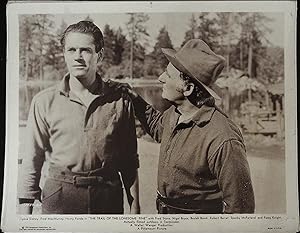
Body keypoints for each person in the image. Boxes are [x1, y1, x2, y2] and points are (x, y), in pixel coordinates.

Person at [116, 39, 255, 214]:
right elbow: (157, 127)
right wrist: (134, 98)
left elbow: (240, 209)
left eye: (168, 74)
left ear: (188, 88)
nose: (160, 78)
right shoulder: (175, 113)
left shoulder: (223, 138)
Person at [18, 21, 140, 214]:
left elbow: (129, 160)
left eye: (85, 50)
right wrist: (25, 211)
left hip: (108, 199)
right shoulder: (44, 101)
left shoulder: (120, 101)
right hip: (60, 198)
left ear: (99, 55)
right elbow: (33, 159)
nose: (78, 57)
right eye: (72, 50)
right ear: (64, 54)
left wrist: (135, 207)